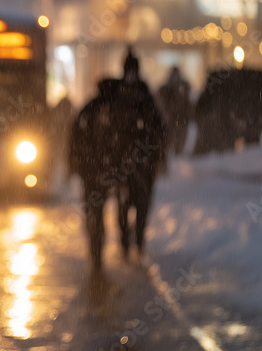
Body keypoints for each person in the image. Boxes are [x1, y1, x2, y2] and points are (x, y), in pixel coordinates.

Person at [69, 49, 164, 269]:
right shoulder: (140, 98)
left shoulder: (95, 108)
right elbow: (155, 131)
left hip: (103, 168)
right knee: (136, 205)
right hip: (128, 165)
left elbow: (76, 139)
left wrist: (78, 164)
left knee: (107, 209)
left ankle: (102, 252)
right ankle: (133, 243)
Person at [157, 66, 191, 156]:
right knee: (176, 138)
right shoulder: (182, 88)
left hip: (177, 119)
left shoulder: (167, 89)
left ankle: (176, 152)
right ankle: (176, 152)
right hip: (176, 119)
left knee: (176, 138)